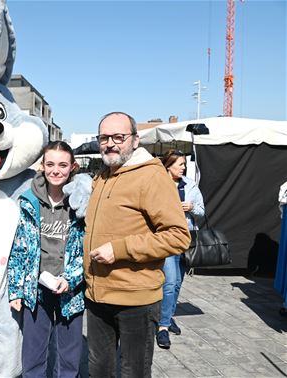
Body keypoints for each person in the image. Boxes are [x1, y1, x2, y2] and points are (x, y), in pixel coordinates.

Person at [84, 112, 191, 377]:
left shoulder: (152, 176)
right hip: (97, 298)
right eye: (104, 138)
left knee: (135, 371)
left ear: (134, 140)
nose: (110, 143)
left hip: (136, 301)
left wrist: (119, 249)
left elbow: (178, 235)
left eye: (118, 137)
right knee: (99, 370)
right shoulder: (102, 177)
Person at [8, 141, 85, 377]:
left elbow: (87, 246)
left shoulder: (82, 202)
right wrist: (15, 291)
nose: (56, 170)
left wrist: (70, 278)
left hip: (70, 291)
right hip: (36, 290)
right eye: (50, 164)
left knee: (69, 358)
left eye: (63, 165)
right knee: (33, 356)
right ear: (42, 165)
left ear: (72, 167)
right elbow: (19, 248)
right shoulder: (27, 200)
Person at [156, 149, 205, 349]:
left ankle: (167, 316)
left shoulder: (191, 185)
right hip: (167, 240)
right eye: (180, 165)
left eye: (184, 164)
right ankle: (163, 327)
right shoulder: (158, 186)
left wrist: (191, 207)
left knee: (176, 285)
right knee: (169, 283)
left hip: (186, 242)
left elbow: (202, 212)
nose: (184, 168)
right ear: (168, 167)